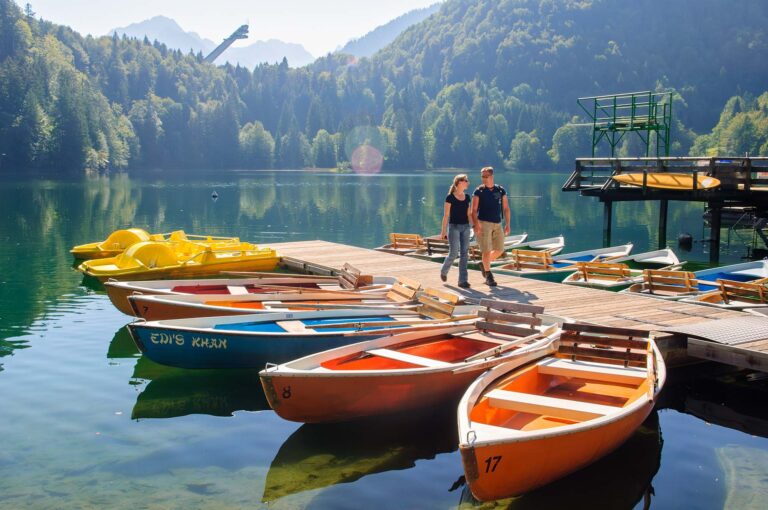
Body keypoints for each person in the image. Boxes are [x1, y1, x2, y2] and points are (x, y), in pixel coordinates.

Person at [472, 166, 510, 287]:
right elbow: (473, 210)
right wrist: (475, 225)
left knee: (499, 249)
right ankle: (489, 276)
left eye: (485, 176)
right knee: (486, 251)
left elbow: (506, 208)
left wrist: (508, 224)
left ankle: (484, 264)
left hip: (498, 223)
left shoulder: (500, 190)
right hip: (483, 224)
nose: (483, 178)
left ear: (492, 176)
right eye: (482, 176)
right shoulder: (479, 191)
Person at [439, 173, 473, 288]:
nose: (468, 182)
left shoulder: (467, 197)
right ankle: (444, 270)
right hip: (454, 227)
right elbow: (446, 215)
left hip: (466, 227)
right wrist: (443, 231)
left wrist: (474, 226)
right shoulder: (450, 197)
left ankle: (462, 281)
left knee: (464, 254)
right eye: (466, 180)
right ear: (459, 183)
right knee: (453, 253)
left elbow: (469, 213)